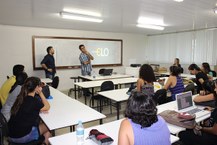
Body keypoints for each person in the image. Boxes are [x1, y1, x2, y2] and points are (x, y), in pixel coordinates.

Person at [8, 77, 51, 144]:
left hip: (10, 135)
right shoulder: (33, 101)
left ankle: (43, 140)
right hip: (21, 137)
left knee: (40, 125)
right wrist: (40, 93)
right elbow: (47, 106)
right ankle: (44, 141)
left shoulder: (20, 98)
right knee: (49, 127)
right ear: (37, 87)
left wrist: (38, 110)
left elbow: (26, 110)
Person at [178, 79, 217, 145]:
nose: (215, 90)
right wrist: (213, 111)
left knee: (182, 133)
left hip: (213, 139)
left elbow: (215, 131)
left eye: (216, 88)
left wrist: (201, 128)